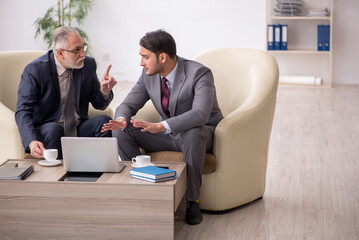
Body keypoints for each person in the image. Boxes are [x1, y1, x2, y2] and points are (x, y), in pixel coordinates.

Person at [102, 29, 223, 225]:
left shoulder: (200, 74)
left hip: (198, 134)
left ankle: (193, 201)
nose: (141, 62)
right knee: (119, 129)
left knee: (193, 132)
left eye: (145, 57)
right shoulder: (148, 75)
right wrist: (123, 119)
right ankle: (142, 187)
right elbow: (127, 104)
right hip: (165, 135)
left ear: (163, 57)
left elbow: (200, 114)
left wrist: (161, 125)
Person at [15, 26, 117, 159]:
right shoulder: (35, 70)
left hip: (78, 127)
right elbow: (23, 111)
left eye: (83, 47)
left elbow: (99, 104)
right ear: (60, 53)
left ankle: (102, 170)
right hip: (49, 129)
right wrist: (31, 141)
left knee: (105, 122)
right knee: (54, 129)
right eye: (77, 50)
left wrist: (104, 91)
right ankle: (59, 176)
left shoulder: (88, 65)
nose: (83, 54)